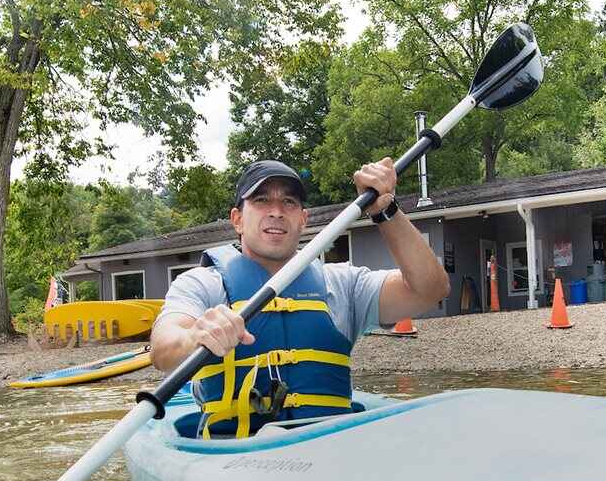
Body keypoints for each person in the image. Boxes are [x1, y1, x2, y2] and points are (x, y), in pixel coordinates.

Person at [149, 158, 449, 437]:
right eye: (261, 200)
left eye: (289, 202)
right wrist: (194, 338)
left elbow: (430, 290)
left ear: (304, 219)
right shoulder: (202, 284)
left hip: (326, 451)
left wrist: (385, 209)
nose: (276, 211)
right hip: (233, 455)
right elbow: (162, 351)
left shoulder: (343, 284)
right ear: (237, 219)